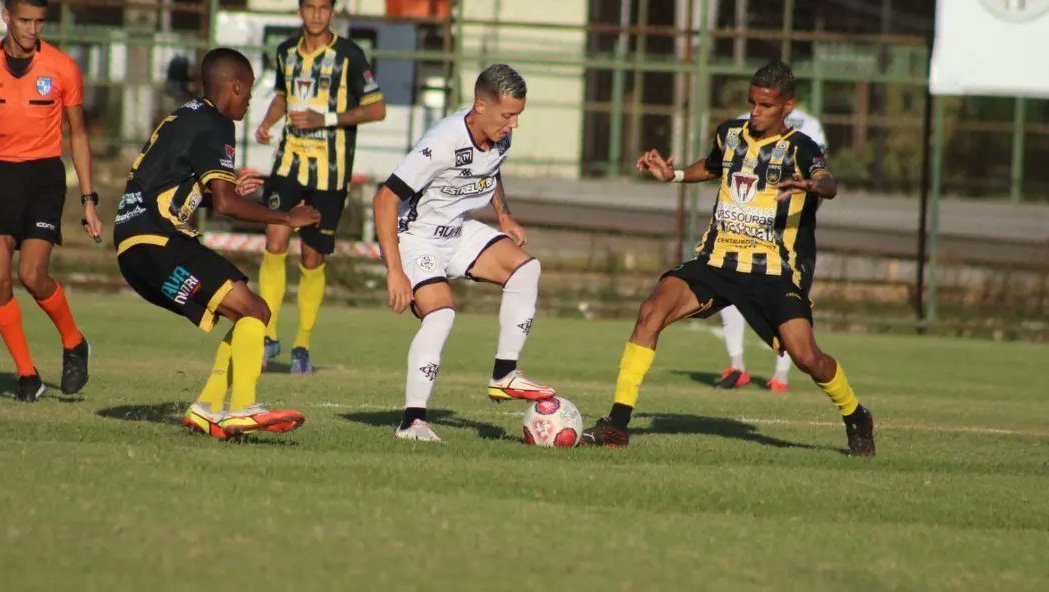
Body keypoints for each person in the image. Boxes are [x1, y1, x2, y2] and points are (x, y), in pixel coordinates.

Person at [580, 61, 875, 456]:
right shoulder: (730, 134)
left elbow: (827, 181)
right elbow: (715, 166)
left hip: (773, 271)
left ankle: (855, 414)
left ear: (787, 106)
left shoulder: (801, 147)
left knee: (808, 358)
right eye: (752, 103)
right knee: (651, 311)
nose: (755, 112)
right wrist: (676, 176)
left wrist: (815, 185)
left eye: (766, 105)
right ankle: (617, 424)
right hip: (716, 260)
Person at [114, 48, 321, 439]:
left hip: (133, 248)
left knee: (244, 310)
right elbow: (228, 206)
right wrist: (286, 218)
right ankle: (241, 407)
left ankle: (206, 409)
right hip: (158, 241)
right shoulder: (216, 123)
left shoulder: (183, 116)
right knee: (255, 310)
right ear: (235, 86)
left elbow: (182, 188)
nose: (249, 100)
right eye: (249, 92)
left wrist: (217, 190)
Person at [373, 64, 554, 442]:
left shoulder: (500, 136)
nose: (513, 125)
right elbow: (385, 199)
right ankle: (412, 422)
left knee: (525, 269)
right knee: (440, 314)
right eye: (508, 115)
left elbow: (492, 170)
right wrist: (395, 271)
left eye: (518, 115)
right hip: (417, 237)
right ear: (480, 106)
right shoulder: (442, 142)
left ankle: (504, 374)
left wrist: (505, 217)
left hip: (456, 231)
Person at [0, 0, 101, 402]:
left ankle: (74, 341)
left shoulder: (63, 68)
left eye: (40, 22)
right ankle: (28, 376)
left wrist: (89, 200)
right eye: (25, 20)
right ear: (6, 17)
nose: (32, 30)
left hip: (44, 178)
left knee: (31, 275)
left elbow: (78, 135)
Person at [254, 0, 385, 375]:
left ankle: (302, 346)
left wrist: (325, 119)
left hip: (330, 172)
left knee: (311, 257)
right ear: (300, 11)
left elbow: (377, 110)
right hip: (288, 164)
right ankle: (268, 334)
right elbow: (283, 96)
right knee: (275, 239)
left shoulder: (349, 55)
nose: (315, 14)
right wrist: (266, 123)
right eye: (309, 7)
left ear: (332, 12)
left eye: (323, 8)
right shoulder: (285, 53)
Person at [715, 106, 829, 392]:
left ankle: (780, 374)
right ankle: (737, 365)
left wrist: (803, 219)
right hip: (747, 228)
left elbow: (819, 178)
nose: (759, 108)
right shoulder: (742, 123)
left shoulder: (807, 128)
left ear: (786, 101)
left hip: (785, 234)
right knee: (728, 289)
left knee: (788, 303)